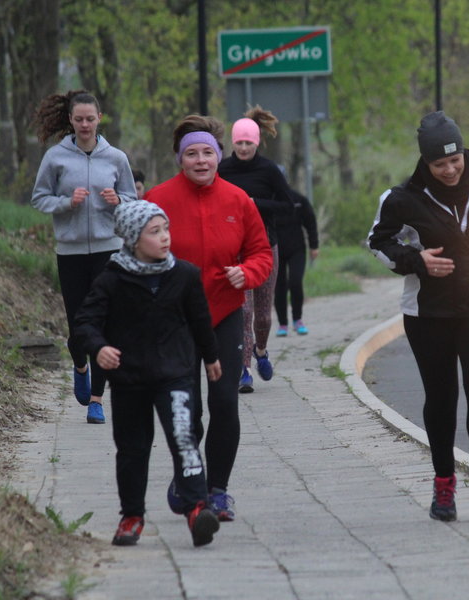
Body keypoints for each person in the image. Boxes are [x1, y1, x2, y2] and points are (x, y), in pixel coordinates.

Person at [367, 111, 469, 522]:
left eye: (454, 159)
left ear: (461, 150)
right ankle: (443, 485)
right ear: (426, 162)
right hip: (428, 313)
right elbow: (378, 242)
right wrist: (416, 260)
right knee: (441, 398)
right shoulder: (403, 197)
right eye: (439, 164)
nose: (450, 169)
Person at [73, 200, 222, 547]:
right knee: (132, 450)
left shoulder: (184, 274)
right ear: (132, 239)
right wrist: (99, 348)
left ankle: (197, 508)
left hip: (176, 374)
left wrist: (212, 356)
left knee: (184, 439)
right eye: (154, 232)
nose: (165, 237)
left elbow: (200, 319)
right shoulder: (111, 280)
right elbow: (85, 323)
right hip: (129, 380)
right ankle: (132, 516)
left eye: (166, 229)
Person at [145, 114, 272, 522]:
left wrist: (246, 273)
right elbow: (136, 253)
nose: (201, 161)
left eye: (207, 153)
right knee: (187, 407)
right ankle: (188, 474)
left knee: (224, 404)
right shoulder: (157, 199)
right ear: (180, 160)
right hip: (176, 319)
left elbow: (261, 254)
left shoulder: (238, 201)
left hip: (225, 314)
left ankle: (217, 491)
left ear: (218, 156)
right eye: (191, 154)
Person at [31, 89, 136, 425]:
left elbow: (133, 200)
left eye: (90, 118)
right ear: (71, 121)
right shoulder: (55, 158)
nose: (85, 124)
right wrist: (66, 203)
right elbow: (39, 198)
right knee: (79, 327)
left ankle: (96, 400)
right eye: (79, 119)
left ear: (99, 119)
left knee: (104, 324)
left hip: (109, 248)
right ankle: (80, 364)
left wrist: (117, 200)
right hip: (71, 250)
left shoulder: (116, 158)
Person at [218, 106, 294, 393]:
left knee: (262, 314)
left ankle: (260, 350)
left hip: (265, 246)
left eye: (249, 142)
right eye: (239, 142)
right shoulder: (222, 170)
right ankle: (243, 369)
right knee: (243, 311)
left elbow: (288, 206)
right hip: (234, 250)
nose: (244, 147)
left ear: (258, 142)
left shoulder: (269, 171)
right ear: (233, 143)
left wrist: (255, 204)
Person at [274, 186, 319, 336]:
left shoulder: (298, 200)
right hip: (274, 250)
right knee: (279, 285)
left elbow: (310, 222)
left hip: (297, 249)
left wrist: (314, 246)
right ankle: (282, 323)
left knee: (295, 281)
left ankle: (297, 319)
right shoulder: (268, 201)